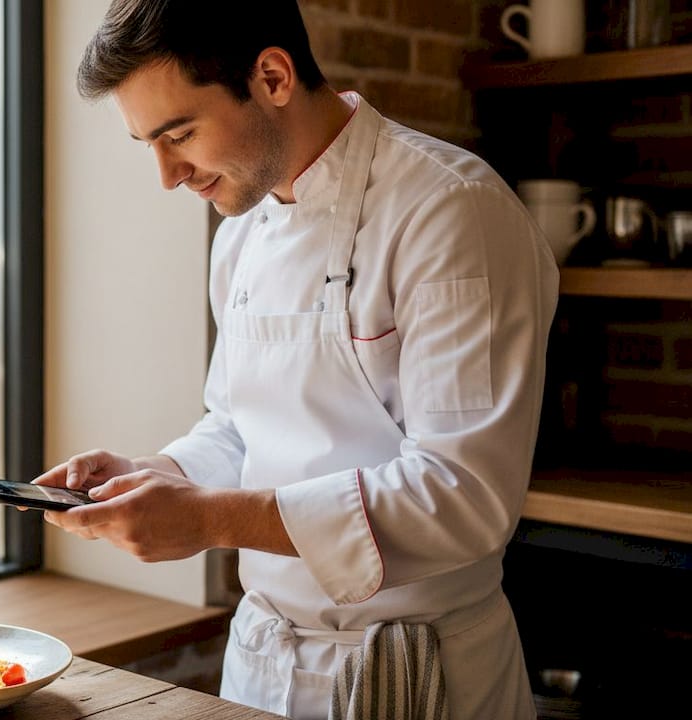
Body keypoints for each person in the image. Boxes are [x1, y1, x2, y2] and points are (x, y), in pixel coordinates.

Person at [33, 2, 558, 719]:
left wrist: (210, 520)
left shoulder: (451, 211)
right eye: (147, 143)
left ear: (273, 76)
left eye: (179, 133)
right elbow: (238, 424)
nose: (167, 174)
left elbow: (463, 497)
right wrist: (161, 475)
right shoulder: (241, 236)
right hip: (261, 665)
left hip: (414, 669)